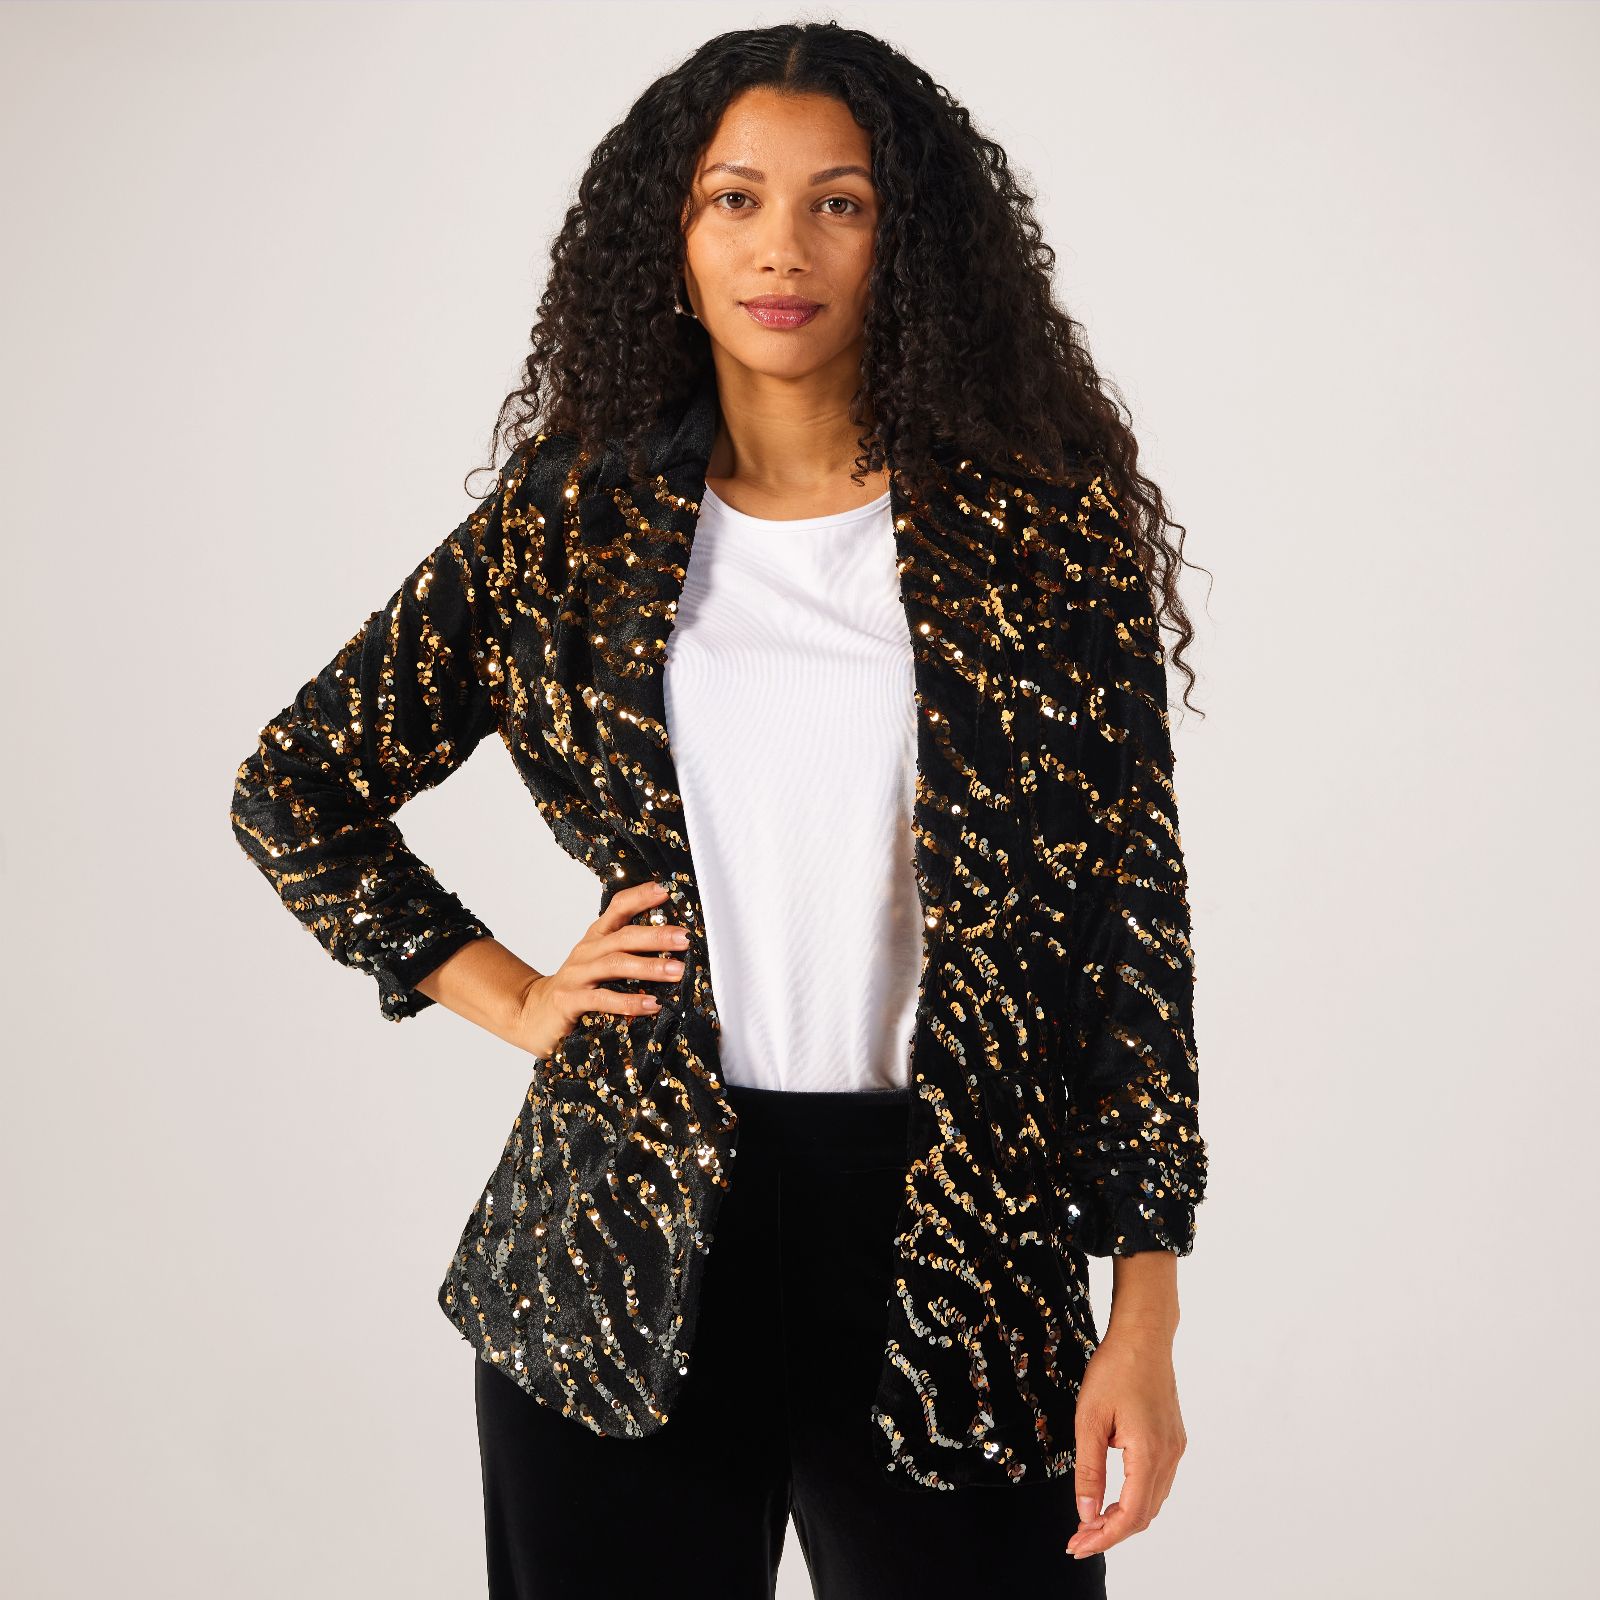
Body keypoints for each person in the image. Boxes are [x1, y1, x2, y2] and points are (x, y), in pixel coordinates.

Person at [228, 20, 1209, 1599]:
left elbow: (1129, 934)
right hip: (622, 1239)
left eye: (840, 203)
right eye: (733, 199)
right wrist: (515, 998)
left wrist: (1142, 1311)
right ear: (669, 236)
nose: (781, 250)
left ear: (908, 241)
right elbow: (299, 785)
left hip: (960, 1249)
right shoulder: (572, 525)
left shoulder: (1040, 541)